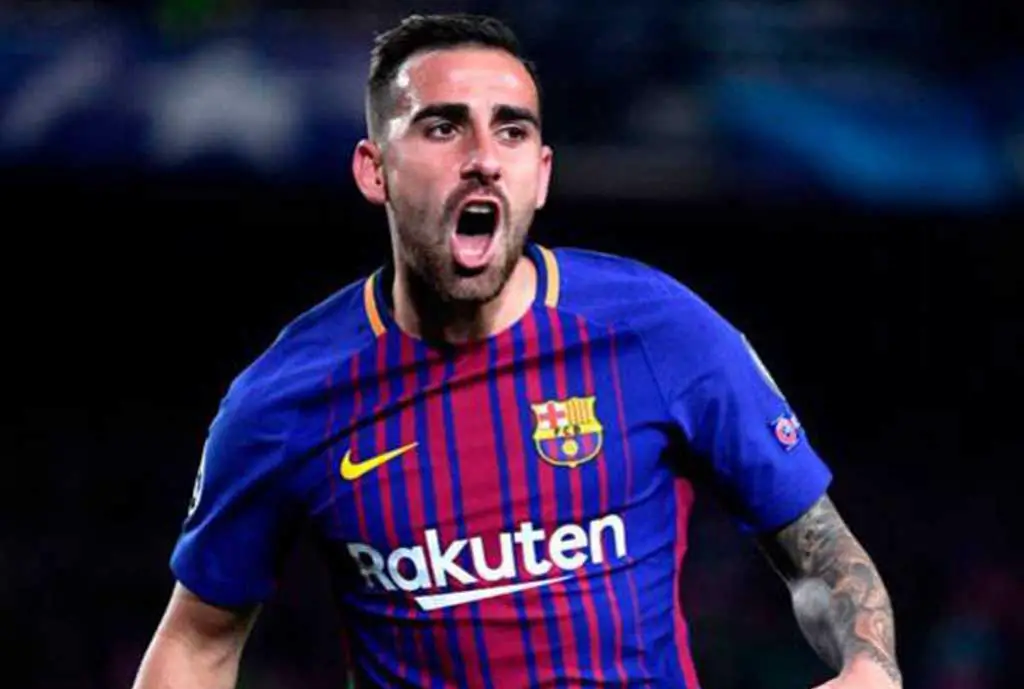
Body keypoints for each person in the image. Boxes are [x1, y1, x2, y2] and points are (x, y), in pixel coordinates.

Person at [132, 13, 903, 689]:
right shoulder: (285, 398)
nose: (483, 157)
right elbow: (198, 641)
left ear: (540, 174)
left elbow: (819, 553)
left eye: (512, 130)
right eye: (443, 127)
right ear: (375, 170)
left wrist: (870, 664)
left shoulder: (662, 332)